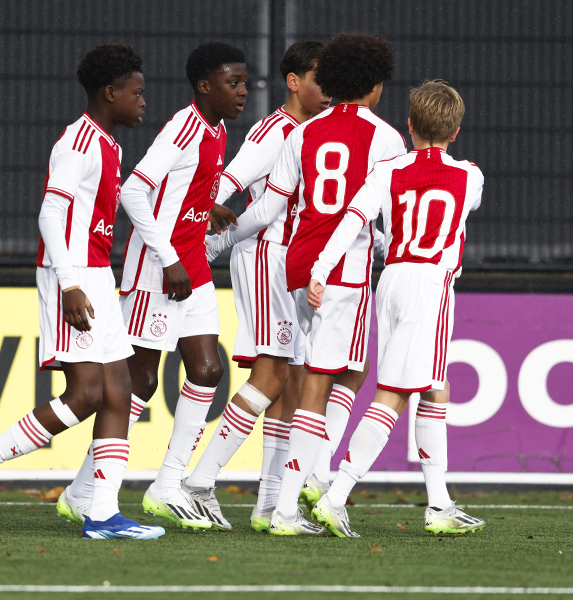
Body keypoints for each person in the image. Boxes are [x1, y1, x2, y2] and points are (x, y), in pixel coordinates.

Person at [0, 44, 182, 540]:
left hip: (96, 274)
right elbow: (50, 214)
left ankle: (102, 514)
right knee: (87, 393)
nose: (144, 101)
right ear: (110, 92)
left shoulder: (110, 144)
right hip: (69, 275)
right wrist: (70, 283)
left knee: (120, 392)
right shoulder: (78, 142)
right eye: (136, 93)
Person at [206, 32, 405, 535]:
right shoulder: (385, 138)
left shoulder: (304, 132)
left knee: (313, 377)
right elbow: (374, 209)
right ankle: (301, 493)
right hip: (344, 268)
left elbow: (270, 206)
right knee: (334, 378)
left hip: (296, 263)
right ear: (375, 83)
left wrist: (214, 243)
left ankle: (284, 495)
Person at [57, 42, 247, 531]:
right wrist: (168, 258)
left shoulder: (218, 129)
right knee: (138, 382)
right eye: (233, 83)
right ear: (204, 86)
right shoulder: (184, 128)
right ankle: (83, 492)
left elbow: (180, 191)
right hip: (158, 271)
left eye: (243, 82)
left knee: (208, 370)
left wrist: (207, 208)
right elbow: (134, 190)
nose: (243, 91)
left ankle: (167, 484)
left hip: (192, 267)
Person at [311, 80, 486, 537]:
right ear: (456, 131)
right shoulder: (470, 175)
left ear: (409, 125)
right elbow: (462, 208)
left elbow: (354, 218)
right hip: (429, 283)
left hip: (389, 280)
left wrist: (321, 267)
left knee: (434, 387)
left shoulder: (388, 170)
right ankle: (335, 495)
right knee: (394, 392)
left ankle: (439, 503)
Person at [180, 40, 330, 532]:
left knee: (290, 381)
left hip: (293, 262)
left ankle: (269, 505)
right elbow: (226, 185)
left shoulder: (317, 131)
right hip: (265, 256)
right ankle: (199, 481)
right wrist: (207, 240)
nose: (328, 89)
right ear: (294, 82)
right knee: (271, 375)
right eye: (320, 79)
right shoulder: (274, 131)